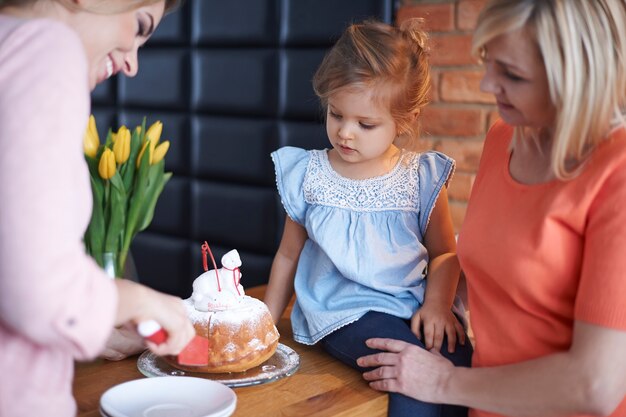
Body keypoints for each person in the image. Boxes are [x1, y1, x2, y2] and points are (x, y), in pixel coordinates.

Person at [357, 1, 626, 416]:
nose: (486, 85)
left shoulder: (617, 170)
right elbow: (506, 273)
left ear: (577, 79)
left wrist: (443, 380)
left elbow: (595, 385)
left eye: (512, 76)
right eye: (488, 63)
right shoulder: (504, 137)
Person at [264, 19, 473, 417]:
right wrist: (268, 326)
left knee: (460, 358)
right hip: (345, 311)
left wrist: (438, 307)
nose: (345, 133)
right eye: (336, 114)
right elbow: (288, 256)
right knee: (406, 372)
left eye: (365, 124)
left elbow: (445, 254)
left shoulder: (421, 178)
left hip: (410, 304)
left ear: (404, 120)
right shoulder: (310, 174)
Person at [0, 1, 195, 416]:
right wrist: (137, 300)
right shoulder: (44, 49)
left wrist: (93, 313)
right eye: (140, 26)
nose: (132, 64)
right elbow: (38, 291)